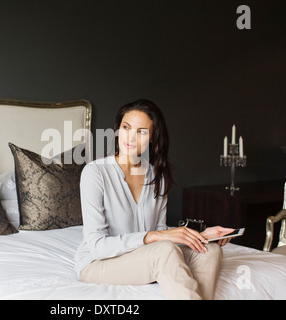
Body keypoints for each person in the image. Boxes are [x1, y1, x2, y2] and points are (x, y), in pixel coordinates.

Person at [74, 99, 234, 300]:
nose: (130, 137)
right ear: (117, 129)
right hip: (99, 263)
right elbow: (98, 245)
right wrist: (155, 237)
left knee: (208, 250)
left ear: (152, 137)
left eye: (141, 131)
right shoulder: (95, 173)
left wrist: (201, 235)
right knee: (164, 251)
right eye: (126, 127)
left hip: (144, 256)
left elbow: (159, 231)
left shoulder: (156, 176)